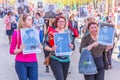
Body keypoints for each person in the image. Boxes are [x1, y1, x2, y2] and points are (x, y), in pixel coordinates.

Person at [9, 13, 41, 80]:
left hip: (33, 62)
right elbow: (11, 51)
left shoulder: (35, 32)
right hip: (21, 62)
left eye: (31, 19)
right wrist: (20, 50)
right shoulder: (17, 33)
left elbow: (37, 46)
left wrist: (39, 46)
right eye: (29, 20)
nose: (31, 21)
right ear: (23, 22)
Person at [44, 16, 73, 80]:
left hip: (66, 59)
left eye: (63, 21)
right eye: (59, 21)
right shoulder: (52, 33)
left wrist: (71, 46)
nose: (61, 23)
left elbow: (72, 45)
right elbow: (45, 46)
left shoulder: (68, 32)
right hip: (55, 58)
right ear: (56, 22)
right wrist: (51, 49)